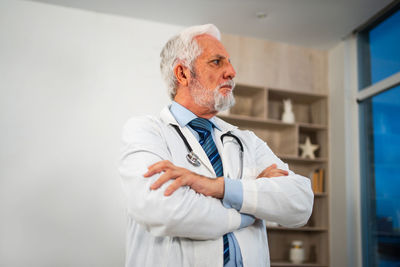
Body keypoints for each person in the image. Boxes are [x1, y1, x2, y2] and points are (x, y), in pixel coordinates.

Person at [119, 24, 314, 267]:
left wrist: (219, 188)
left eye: (229, 62)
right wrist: (252, 208)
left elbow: (300, 203)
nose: (232, 71)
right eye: (217, 62)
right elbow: (162, 210)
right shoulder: (146, 131)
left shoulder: (246, 141)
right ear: (182, 73)